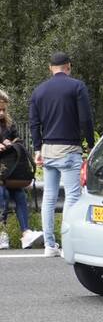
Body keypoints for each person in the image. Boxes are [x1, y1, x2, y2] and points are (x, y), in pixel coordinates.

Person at [28, 52, 95, 257]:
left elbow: (34, 124)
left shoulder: (39, 91)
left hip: (48, 150)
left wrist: (37, 149)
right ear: (69, 66)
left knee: (49, 197)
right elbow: (85, 119)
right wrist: (90, 143)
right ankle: (68, 245)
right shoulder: (77, 87)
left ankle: (50, 246)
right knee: (72, 196)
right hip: (70, 150)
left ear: (50, 68)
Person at [0, 89, 43, 248]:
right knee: (2, 193)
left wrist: (11, 143)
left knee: (20, 195)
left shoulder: (9, 124)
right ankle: (1, 233)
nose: (2, 113)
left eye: (4, 109)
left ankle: (26, 234)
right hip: (1, 177)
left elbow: (20, 142)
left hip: (10, 172)